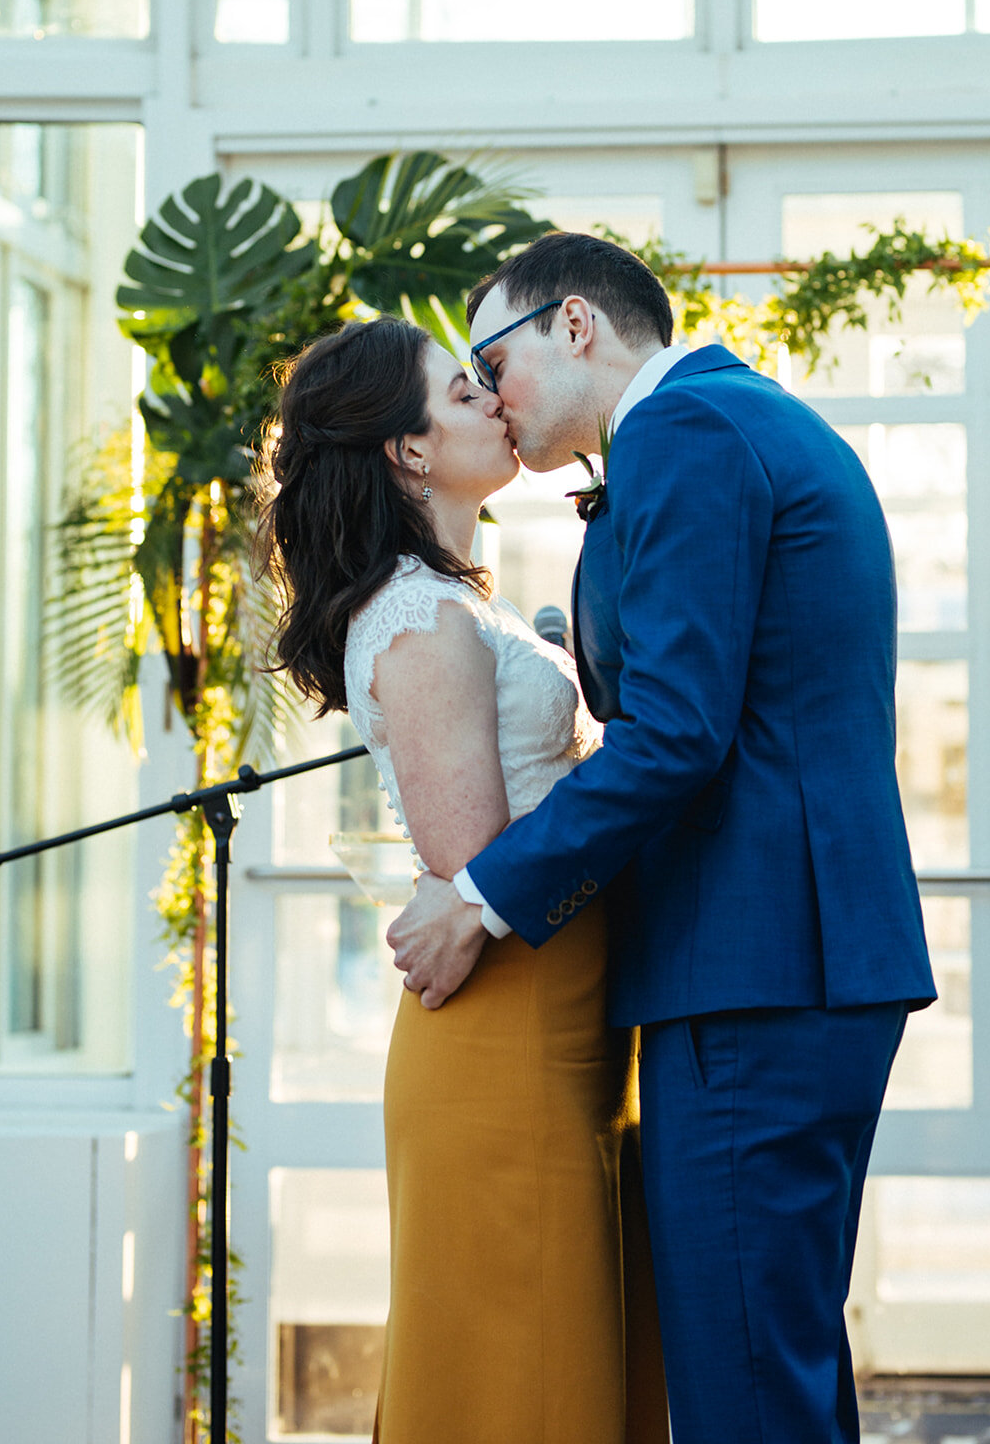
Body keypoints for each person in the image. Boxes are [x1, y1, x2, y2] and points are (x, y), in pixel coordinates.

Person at [387, 232, 939, 1444]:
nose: (489, 394)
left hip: (751, 965)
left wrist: (478, 893)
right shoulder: (728, 422)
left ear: (573, 325)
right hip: (787, 958)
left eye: (495, 359)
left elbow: (678, 733)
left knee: (742, 1385)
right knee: (772, 1361)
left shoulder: (686, 436)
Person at [256, 314, 668, 1444]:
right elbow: (472, 857)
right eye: (460, 389)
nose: (494, 396)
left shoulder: (450, 599)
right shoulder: (420, 617)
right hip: (507, 1025)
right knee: (518, 1368)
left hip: (556, 1009)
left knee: (555, 1346)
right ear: (408, 450)